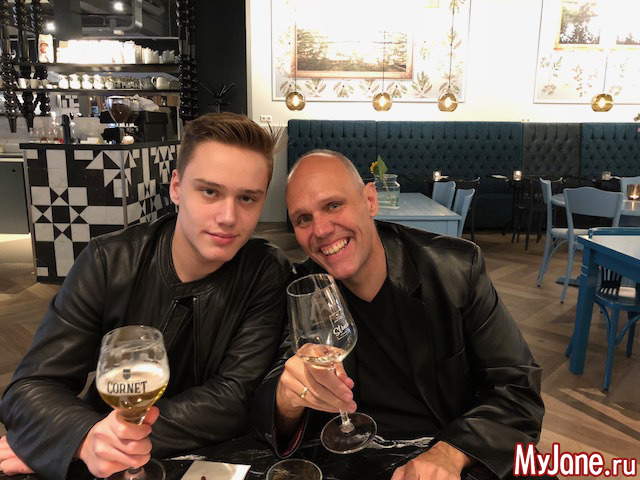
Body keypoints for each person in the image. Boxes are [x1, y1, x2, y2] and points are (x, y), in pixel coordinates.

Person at [0, 113, 290, 480]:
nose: (229, 216)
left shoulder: (265, 271)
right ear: (176, 187)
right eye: (210, 192)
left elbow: (234, 398)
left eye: (247, 198)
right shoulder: (109, 262)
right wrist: (83, 438)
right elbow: (31, 387)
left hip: (215, 458)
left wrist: (109, 439)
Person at [252, 150, 546, 480]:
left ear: (370, 200)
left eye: (333, 205)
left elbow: (518, 388)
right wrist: (286, 399)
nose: (320, 230)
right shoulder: (305, 290)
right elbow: (268, 394)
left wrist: (450, 453)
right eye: (303, 219)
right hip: (356, 461)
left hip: (455, 452)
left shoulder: (455, 270)